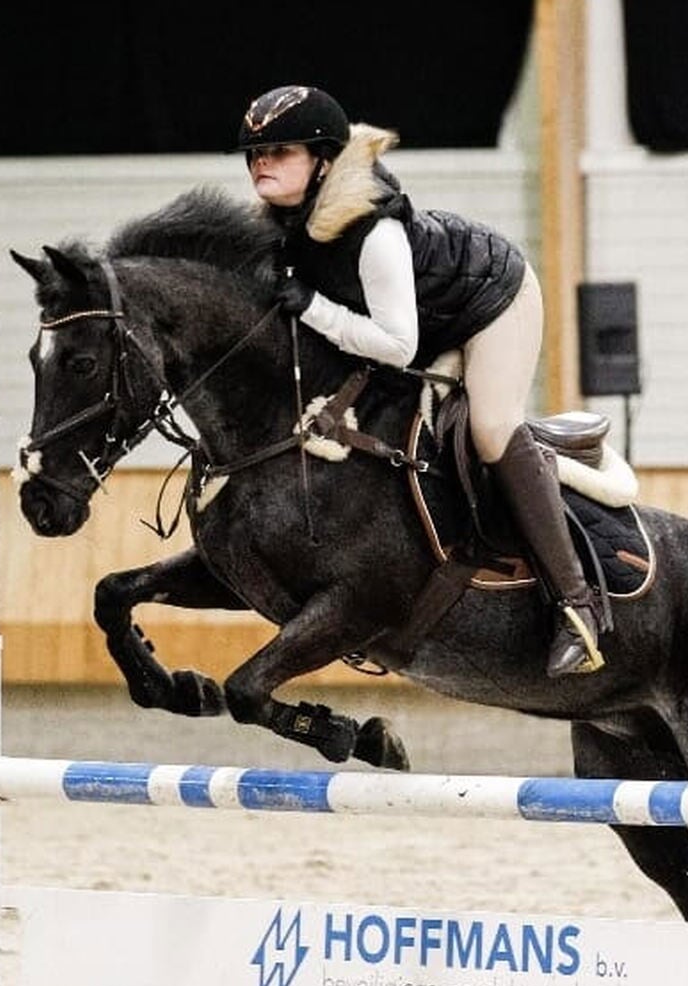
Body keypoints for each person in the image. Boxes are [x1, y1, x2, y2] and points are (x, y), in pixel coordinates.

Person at [236, 84, 603, 678]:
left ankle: (577, 606)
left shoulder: (374, 235)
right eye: (255, 155)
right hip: (419, 320)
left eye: (279, 152)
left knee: (488, 427)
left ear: (324, 159)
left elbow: (397, 345)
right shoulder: (288, 229)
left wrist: (313, 309)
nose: (261, 164)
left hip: (490, 299)